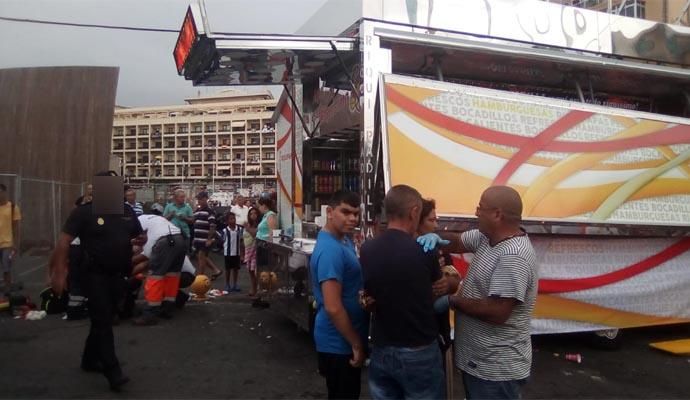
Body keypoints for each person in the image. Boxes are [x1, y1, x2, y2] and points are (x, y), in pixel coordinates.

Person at [418, 186, 538, 400]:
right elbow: (456, 241)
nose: (476, 212)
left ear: (497, 214)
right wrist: (432, 237)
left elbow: (498, 311)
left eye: (480, 208)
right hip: (480, 362)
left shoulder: (513, 256)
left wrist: (452, 300)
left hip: (495, 370)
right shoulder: (487, 238)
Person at [49, 171, 145, 392]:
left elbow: (140, 235)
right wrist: (59, 274)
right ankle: (113, 371)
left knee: (105, 316)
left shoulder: (127, 212)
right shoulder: (84, 213)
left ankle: (89, 359)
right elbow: (64, 242)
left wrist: (141, 239)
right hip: (94, 274)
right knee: (103, 319)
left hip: (118, 274)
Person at [360, 185, 445, 400]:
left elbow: (370, 294)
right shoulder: (425, 250)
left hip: (382, 346)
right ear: (414, 211)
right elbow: (438, 291)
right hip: (419, 348)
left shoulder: (368, 248)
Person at [310, 191, 367, 400]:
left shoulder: (344, 241)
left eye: (356, 213)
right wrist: (355, 343)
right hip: (338, 343)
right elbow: (333, 306)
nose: (353, 218)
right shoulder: (330, 250)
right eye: (346, 212)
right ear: (329, 212)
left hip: (342, 340)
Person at [133, 213, 187, 325]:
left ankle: (150, 314)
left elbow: (145, 254)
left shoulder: (137, 222)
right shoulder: (153, 219)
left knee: (155, 276)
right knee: (172, 276)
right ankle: (167, 309)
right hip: (180, 240)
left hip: (165, 242)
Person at [192, 191, 222, 280]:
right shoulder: (197, 211)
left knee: (201, 257)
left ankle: (200, 278)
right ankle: (216, 270)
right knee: (201, 256)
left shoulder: (210, 211)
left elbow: (212, 226)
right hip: (198, 238)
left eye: (201, 199)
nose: (199, 201)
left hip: (205, 239)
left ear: (205, 199)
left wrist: (209, 239)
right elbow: (194, 222)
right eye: (198, 199)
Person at [0, 184, 21, 296]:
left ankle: (8, 288)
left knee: (6, 266)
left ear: (4, 192)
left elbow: (16, 227)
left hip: (7, 243)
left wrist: (16, 245)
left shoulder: (13, 207)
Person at [221, 212, 244, 293]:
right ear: (227, 221)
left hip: (236, 253)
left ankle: (235, 284)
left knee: (236, 269)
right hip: (228, 253)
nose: (233, 220)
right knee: (228, 269)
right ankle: (227, 284)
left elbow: (241, 242)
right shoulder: (225, 231)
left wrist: (242, 254)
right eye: (230, 219)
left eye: (234, 218)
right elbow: (222, 240)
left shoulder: (239, 229)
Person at [243, 207, 260, 297]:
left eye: (255, 213)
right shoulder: (248, 224)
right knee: (250, 271)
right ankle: (253, 287)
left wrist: (247, 228)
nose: (253, 215)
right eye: (251, 214)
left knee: (255, 270)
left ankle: (256, 288)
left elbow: (254, 234)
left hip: (255, 250)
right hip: (247, 249)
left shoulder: (259, 225)